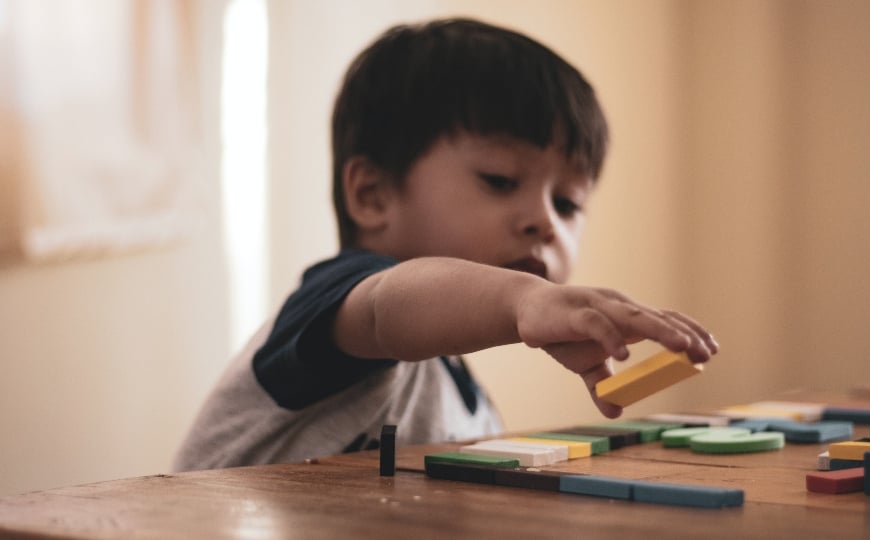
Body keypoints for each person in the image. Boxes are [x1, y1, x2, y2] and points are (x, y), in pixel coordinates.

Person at [172, 17, 718, 472]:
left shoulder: (469, 405)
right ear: (374, 195)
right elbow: (392, 307)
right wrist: (521, 299)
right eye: (501, 180)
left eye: (569, 202)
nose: (545, 222)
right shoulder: (342, 306)